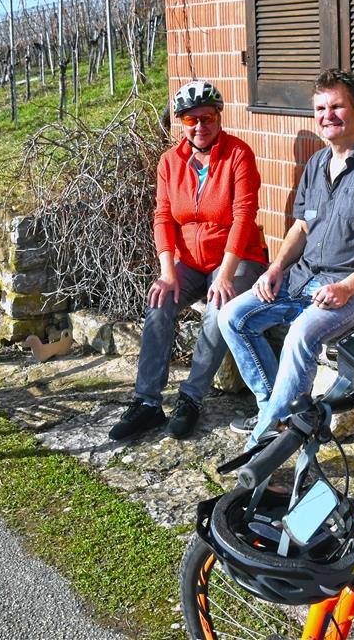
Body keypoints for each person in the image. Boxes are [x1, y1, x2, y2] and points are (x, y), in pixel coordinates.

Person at [217, 69, 354, 448]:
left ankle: (264, 442)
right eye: (321, 108)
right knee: (232, 317)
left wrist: (347, 286)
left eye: (337, 106)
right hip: (302, 278)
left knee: (301, 335)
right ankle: (275, 409)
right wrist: (276, 268)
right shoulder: (317, 164)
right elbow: (301, 228)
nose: (328, 115)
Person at [109, 80, 268, 442]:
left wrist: (226, 274)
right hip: (191, 261)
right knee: (159, 304)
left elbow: (244, 217)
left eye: (208, 117)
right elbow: (163, 216)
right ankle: (147, 402)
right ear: (181, 121)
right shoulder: (170, 161)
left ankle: (191, 398)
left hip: (238, 257)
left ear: (219, 117)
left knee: (217, 307)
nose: (200, 126)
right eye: (191, 119)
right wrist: (167, 272)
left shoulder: (238, 155)